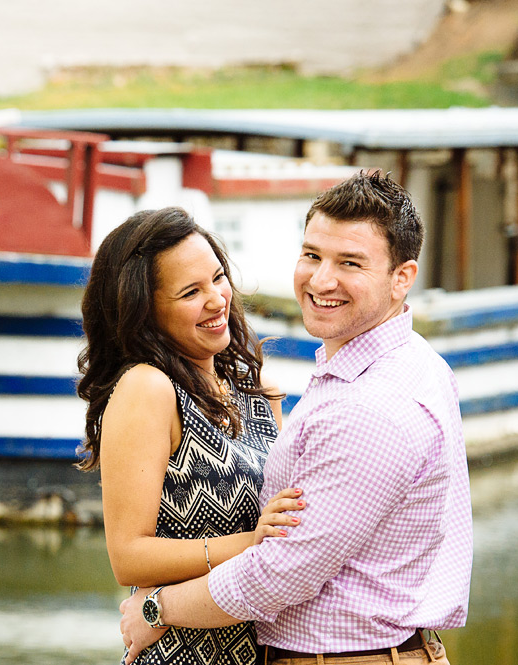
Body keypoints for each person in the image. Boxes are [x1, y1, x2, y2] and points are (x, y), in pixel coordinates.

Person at [119, 172, 473, 665]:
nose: (321, 280)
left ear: (402, 278)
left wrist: (157, 608)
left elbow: (281, 574)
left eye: (350, 263)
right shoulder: (408, 364)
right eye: (312, 255)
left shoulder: (371, 406)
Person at [77, 207, 305, 665]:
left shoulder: (255, 394)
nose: (217, 299)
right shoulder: (148, 388)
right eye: (190, 292)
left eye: (218, 278)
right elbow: (128, 557)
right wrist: (251, 543)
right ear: (146, 312)